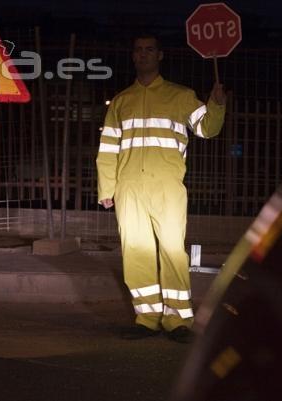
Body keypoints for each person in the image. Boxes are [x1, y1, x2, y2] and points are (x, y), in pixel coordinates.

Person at [96, 34, 227, 343]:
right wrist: (107, 187)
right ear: (133, 56)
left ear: (160, 55)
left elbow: (206, 129)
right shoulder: (120, 101)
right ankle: (147, 317)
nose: (143, 54)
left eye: (149, 50)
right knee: (135, 251)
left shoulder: (180, 96)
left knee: (172, 250)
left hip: (168, 187)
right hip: (128, 187)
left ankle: (178, 320)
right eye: (138, 50)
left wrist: (216, 106)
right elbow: (108, 148)